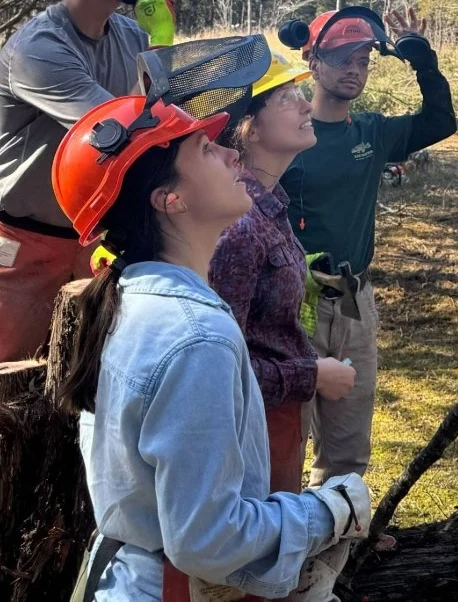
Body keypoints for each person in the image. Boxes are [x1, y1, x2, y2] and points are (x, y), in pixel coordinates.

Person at [53, 90, 370, 601]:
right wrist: (331, 510)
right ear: (169, 199)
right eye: (204, 150)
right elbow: (209, 541)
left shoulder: (133, 295)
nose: (229, 153)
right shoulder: (196, 336)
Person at [0, 0, 184, 359]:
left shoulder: (129, 35)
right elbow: (118, 133)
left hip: (90, 237)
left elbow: (155, 110)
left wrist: (163, 51)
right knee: (10, 375)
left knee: (83, 376)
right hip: (20, 240)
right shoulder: (38, 49)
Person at [278, 5, 456, 493]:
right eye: (342, 60)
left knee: (348, 444)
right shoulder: (286, 133)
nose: (354, 71)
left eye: (363, 61)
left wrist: (422, 60)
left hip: (356, 303)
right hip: (295, 304)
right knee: (284, 439)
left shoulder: (372, 133)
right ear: (312, 62)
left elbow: (440, 121)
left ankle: (339, 537)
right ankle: (282, 545)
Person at [209, 55, 356, 502]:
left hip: (274, 418)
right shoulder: (239, 224)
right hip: (252, 428)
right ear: (249, 126)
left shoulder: (269, 204)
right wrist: (310, 375)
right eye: (288, 97)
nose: (306, 105)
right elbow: (220, 374)